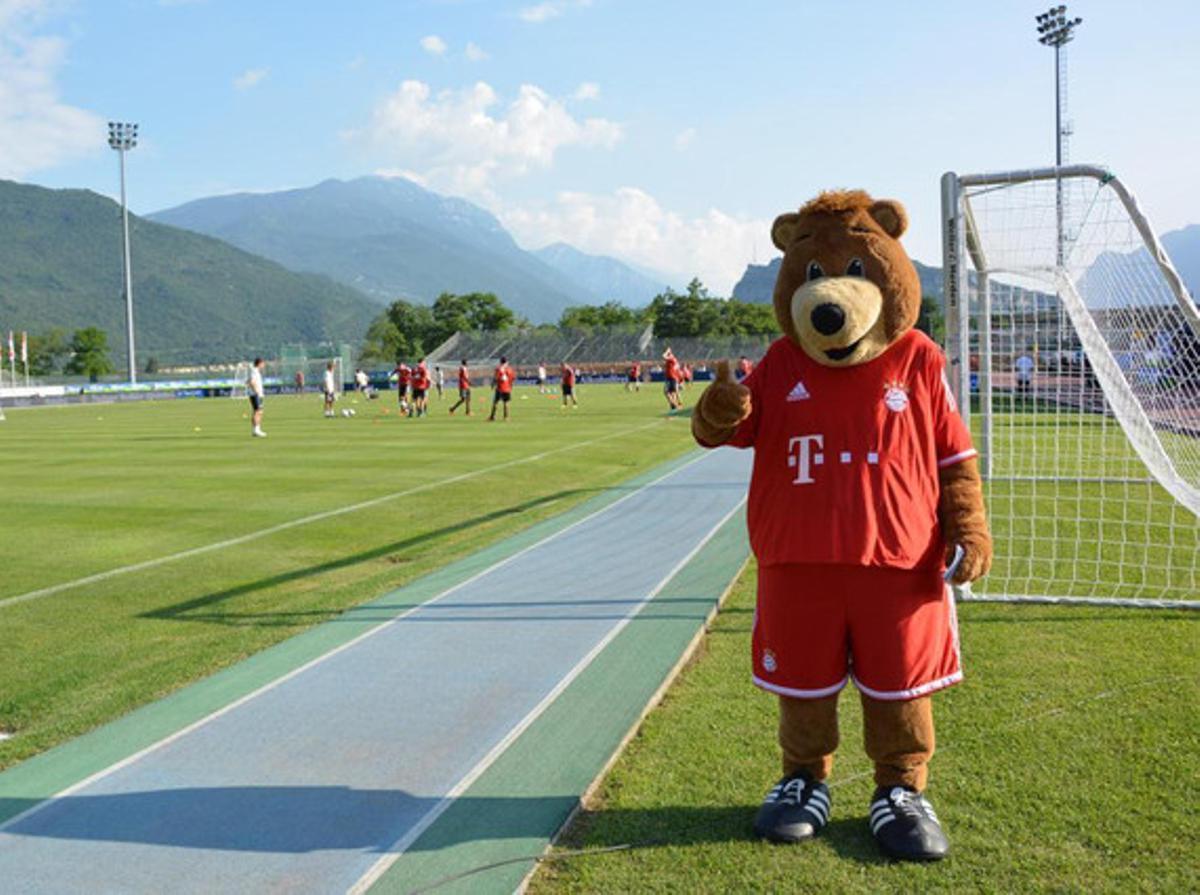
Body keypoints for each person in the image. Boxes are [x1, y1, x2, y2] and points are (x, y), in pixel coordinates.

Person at [489, 355, 516, 421]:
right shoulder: (509, 369)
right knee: (506, 402)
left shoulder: (498, 368)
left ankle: (492, 417)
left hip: (499, 388)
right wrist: (510, 386)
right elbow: (513, 378)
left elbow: (496, 378)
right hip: (507, 388)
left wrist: (492, 385)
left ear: (500, 362)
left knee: (495, 402)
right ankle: (506, 417)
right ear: (506, 362)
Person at [248, 357, 267, 437]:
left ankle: (256, 430)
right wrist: (256, 391)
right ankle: (256, 430)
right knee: (257, 411)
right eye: (263, 363)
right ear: (259, 363)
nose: (264, 365)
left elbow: (248, 381)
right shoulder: (254, 371)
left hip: (257, 394)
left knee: (258, 411)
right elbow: (251, 382)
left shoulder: (256, 371)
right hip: (256, 395)